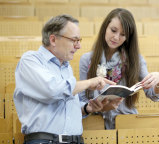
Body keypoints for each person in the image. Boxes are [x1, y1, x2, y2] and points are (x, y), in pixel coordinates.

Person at [13, 14, 115, 144]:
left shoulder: (66, 67)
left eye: (79, 40)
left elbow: (65, 106)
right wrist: (89, 82)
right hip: (45, 141)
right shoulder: (30, 60)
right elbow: (52, 90)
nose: (78, 46)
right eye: (74, 40)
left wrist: (88, 108)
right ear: (53, 40)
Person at [79, 8, 159, 129]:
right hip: (97, 124)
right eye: (113, 30)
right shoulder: (87, 60)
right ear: (105, 27)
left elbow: (154, 96)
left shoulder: (135, 60)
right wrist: (101, 107)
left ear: (128, 38)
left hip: (127, 123)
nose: (116, 37)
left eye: (123, 35)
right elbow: (82, 101)